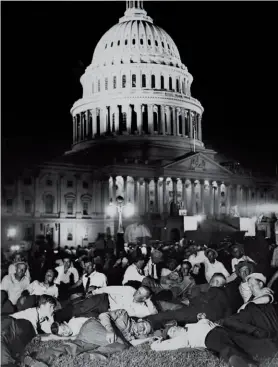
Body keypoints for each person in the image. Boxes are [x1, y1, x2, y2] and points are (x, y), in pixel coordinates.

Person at [29, 309, 154, 365]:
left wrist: (147, 339)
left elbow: (133, 343)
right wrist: (110, 330)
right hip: (94, 326)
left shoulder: (131, 336)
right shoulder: (124, 314)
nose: (140, 330)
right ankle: (92, 356)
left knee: (72, 347)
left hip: (92, 337)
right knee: (122, 345)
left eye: (143, 331)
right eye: (143, 326)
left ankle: (37, 358)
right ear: (140, 320)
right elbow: (104, 315)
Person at [144, 273, 231, 331]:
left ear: (215, 282)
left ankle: (149, 320)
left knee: (172, 314)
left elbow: (203, 299)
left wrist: (191, 300)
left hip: (200, 313)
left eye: (211, 281)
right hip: (212, 321)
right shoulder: (226, 296)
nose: (209, 283)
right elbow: (228, 313)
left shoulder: (215, 290)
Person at [92, 285, 158, 318]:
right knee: (83, 307)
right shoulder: (129, 289)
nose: (136, 292)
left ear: (144, 298)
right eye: (138, 290)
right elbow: (111, 289)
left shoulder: (142, 308)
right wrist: (95, 292)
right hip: (104, 300)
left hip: (109, 314)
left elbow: (154, 313)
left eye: (139, 293)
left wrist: (148, 300)